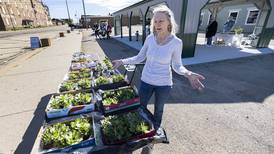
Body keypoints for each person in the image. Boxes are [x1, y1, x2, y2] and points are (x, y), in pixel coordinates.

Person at [112, 5, 205, 154]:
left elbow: (177, 66)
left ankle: (150, 141)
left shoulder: (176, 42)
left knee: (158, 112)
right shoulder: (150, 38)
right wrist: (122, 61)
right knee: (140, 108)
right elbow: (139, 57)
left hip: (164, 84)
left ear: (169, 22)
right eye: (155, 21)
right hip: (146, 81)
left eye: (160, 21)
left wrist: (188, 74)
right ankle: (139, 135)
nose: (157, 24)